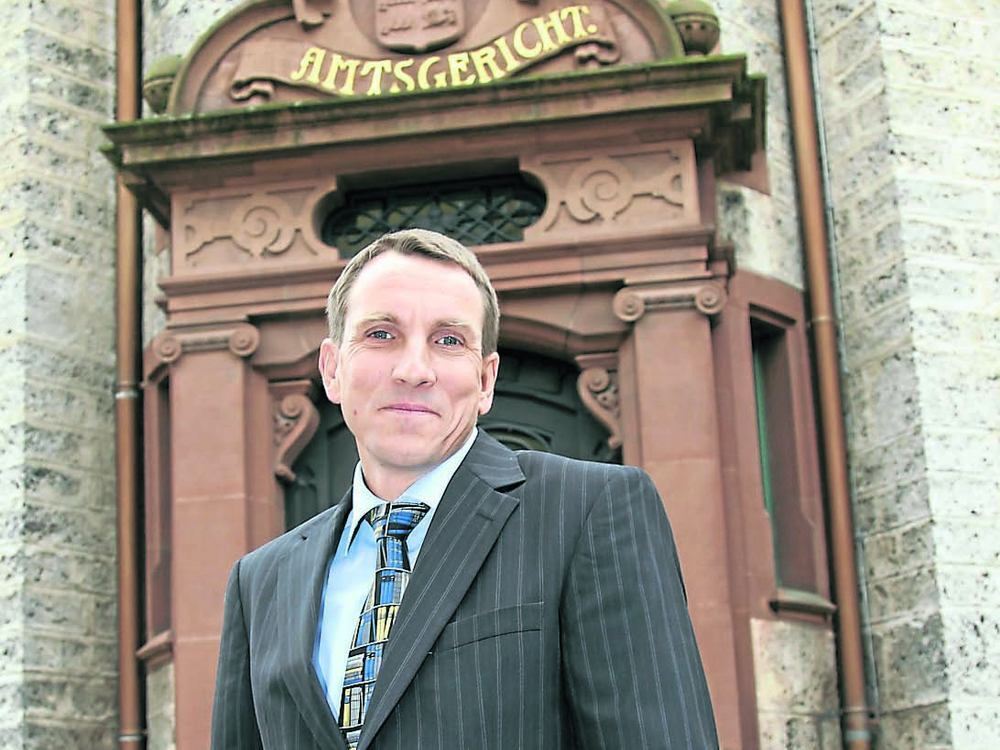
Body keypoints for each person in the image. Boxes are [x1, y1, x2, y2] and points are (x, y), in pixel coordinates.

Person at [211, 228, 718, 749]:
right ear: (333, 368)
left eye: (448, 341)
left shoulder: (587, 512)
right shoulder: (260, 582)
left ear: (486, 380)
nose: (413, 370)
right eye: (381, 334)